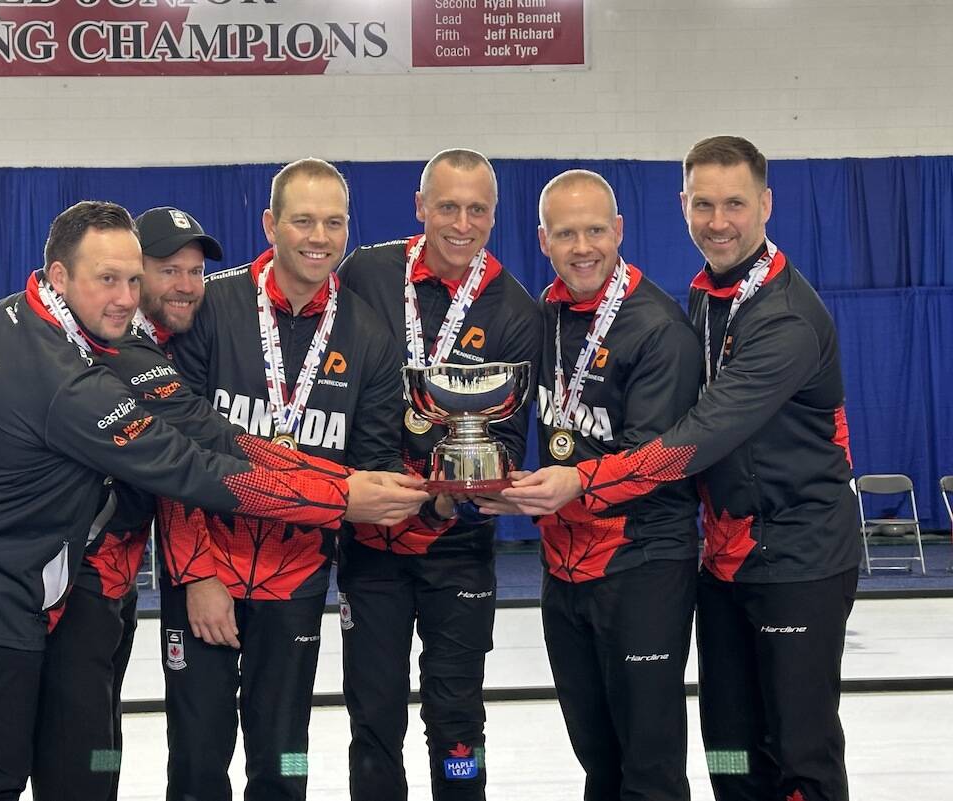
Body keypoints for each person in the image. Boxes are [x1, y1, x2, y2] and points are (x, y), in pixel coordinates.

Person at [0, 200, 429, 801]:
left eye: (132, 278)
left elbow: (207, 429)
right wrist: (339, 499)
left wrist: (333, 482)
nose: (125, 296)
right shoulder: (68, 381)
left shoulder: (15, 315)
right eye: (108, 280)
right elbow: (192, 469)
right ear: (61, 277)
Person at [490, 137, 861, 801]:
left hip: (798, 556)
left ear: (767, 205)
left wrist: (579, 480)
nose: (720, 220)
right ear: (683, 207)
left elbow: (694, 442)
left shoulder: (785, 317)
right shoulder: (710, 298)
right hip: (724, 558)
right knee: (728, 755)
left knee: (800, 753)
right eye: (705, 204)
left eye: (736, 204)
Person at [160, 158, 408, 801]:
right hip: (206, 569)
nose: (318, 236)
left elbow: (370, 463)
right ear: (271, 224)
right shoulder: (211, 306)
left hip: (295, 573)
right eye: (302, 220)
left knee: (284, 758)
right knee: (197, 759)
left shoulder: (371, 335)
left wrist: (427, 495)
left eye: (333, 221)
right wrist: (198, 574)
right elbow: (173, 454)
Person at [336, 148, 541, 801]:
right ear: (421, 206)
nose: (461, 221)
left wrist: (458, 494)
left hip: (455, 546)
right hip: (369, 543)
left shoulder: (514, 308)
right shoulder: (368, 272)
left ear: (493, 215)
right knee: (374, 722)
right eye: (447, 206)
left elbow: (505, 436)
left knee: (458, 724)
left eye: (476, 208)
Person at [488, 170, 701, 799]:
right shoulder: (545, 316)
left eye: (596, 230)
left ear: (621, 232)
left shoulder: (658, 329)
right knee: (597, 755)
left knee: (649, 762)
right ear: (544, 240)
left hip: (643, 562)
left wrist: (570, 484)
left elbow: (655, 461)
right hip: (566, 563)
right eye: (566, 233)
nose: (583, 246)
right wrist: (513, 485)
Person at [28, 205, 226, 801]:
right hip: (65, 583)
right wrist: (340, 493)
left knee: (96, 740)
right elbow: (192, 466)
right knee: (41, 752)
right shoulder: (100, 355)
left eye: (195, 271)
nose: (186, 285)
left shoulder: (167, 345)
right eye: (166, 270)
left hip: (114, 581)